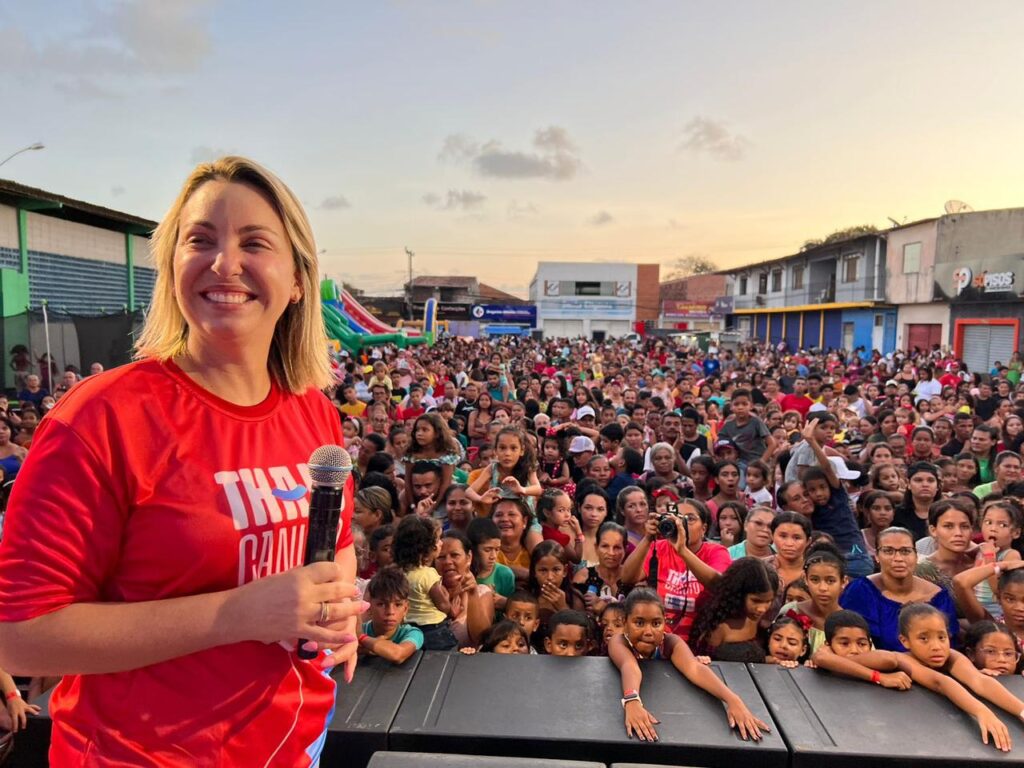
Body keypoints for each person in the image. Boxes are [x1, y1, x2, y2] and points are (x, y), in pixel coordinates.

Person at [0, 157, 366, 766]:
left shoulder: (314, 413)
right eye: (200, 240)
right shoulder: (101, 418)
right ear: (171, 266)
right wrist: (236, 615)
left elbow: (338, 547)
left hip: (295, 744)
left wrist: (335, 612)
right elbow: (18, 637)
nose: (224, 263)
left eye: (254, 243)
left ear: (299, 279)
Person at [813, 603, 1024, 752]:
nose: (936, 646)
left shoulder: (951, 655)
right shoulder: (900, 659)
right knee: (888, 660)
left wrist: (1021, 710)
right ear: (905, 641)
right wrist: (981, 712)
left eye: (941, 637)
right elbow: (940, 682)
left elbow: (979, 682)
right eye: (924, 639)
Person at [608, 588, 770, 743]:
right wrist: (632, 700)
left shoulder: (670, 643)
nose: (648, 631)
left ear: (665, 622)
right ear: (625, 622)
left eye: (656, 623)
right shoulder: (618, 642)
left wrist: (733, 700)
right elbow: (630, 666)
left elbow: (695, 669)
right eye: (639, 623)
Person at [620, 498, 730, 642]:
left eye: (689, 519)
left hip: (701, 638)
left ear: (704, 528)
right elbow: (627, 578)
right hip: (659, 638)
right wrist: (647, 538)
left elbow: (719, 585)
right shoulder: (658, 547)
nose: (681, 523)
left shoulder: (716, 551)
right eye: (677, 518)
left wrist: (682, 550)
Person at [840, 526, 958, 651]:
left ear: (916, 556)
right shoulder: (859, 591)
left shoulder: (939, 597)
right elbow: (848, 644)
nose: (898, 558)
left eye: (905, 551)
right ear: (877, 556)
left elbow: (949, 647)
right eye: (888, 551)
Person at [689, 558, 779, 662]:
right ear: (739, 595)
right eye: (756, 601)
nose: (762, 609)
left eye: (768, 601)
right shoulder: (717, 627)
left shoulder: (762, 619)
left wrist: (776, 661)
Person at [393, 515, 456, 650]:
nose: (441, 543)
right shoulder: (428, 575)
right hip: (435, 632)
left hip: (408, 630)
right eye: (438, 540)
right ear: (426, 548)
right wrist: (452, 608)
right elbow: (443, 606)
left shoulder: (398, 573)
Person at [777, 544, 847, 655]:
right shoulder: (791, 611)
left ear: (843, 582)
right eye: (815, 580)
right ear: (805, 579)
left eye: (830, 581)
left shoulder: (849, 622)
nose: (822, 588)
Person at [436, 530, 495, 649]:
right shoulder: (426, 592)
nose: (448, 561)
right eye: (441, 557)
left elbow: (480, 638)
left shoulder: (481, 593)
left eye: (454, 555)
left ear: (469, 557)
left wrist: (472, 593)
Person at [358, 566, 424, 665]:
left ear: (405, 609)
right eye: (381, 604)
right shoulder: (360, 630)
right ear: (369, 607)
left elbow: (397, 654)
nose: (390, 612)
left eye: (398, 605)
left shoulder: (413, 633)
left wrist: (362, 639)